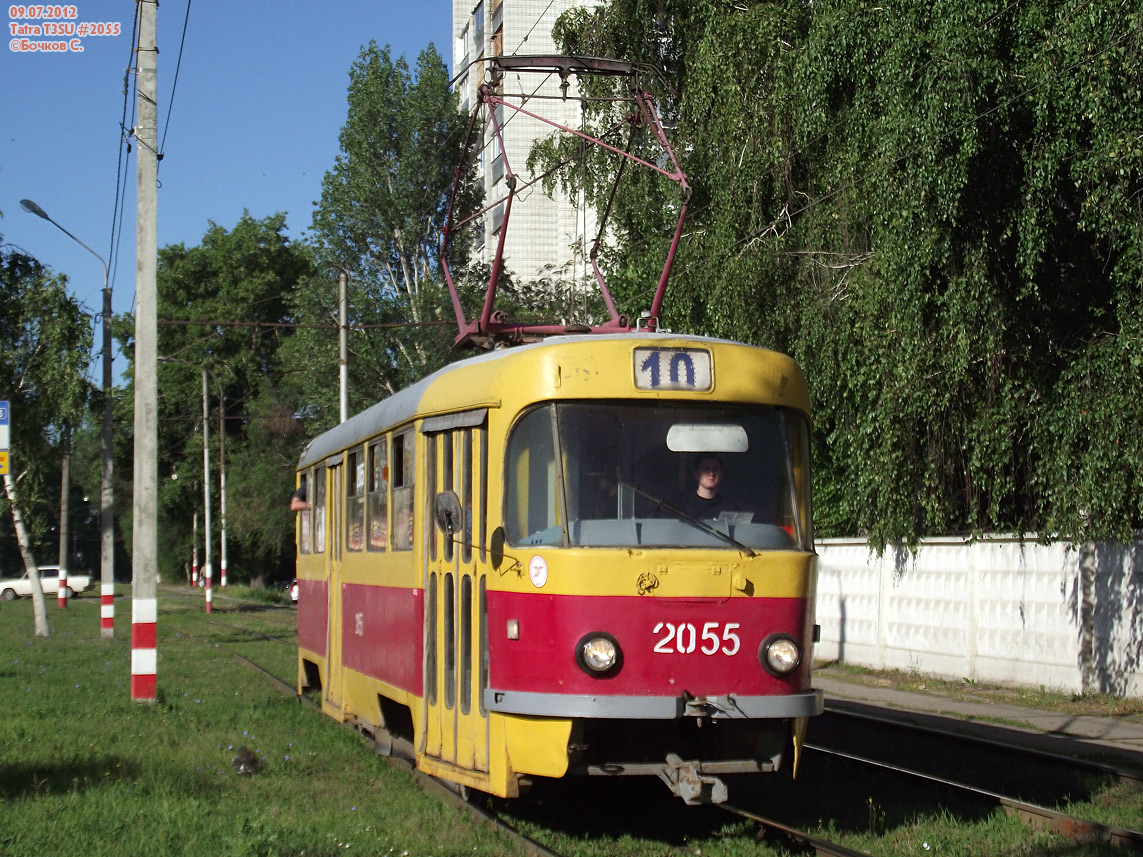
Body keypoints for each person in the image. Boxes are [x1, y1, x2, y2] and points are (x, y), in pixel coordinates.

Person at [665, 454, 739, 520]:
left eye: (715, 469)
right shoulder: (678, 503)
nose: (711, 473)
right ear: (697, 475)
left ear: (721, 475)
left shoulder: (730, 507)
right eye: (706, 469)